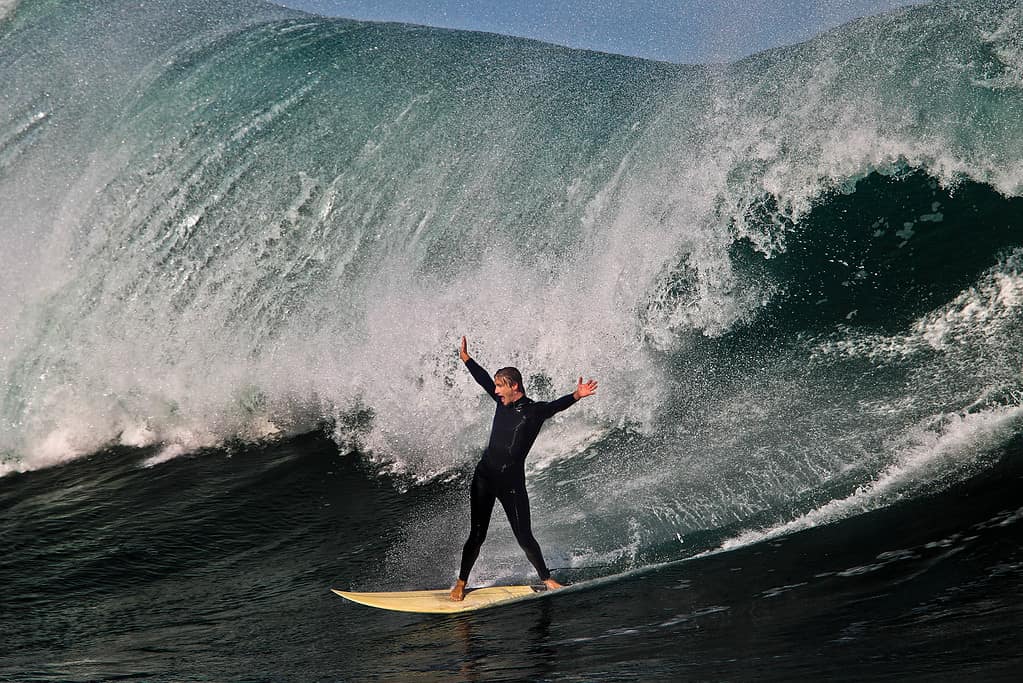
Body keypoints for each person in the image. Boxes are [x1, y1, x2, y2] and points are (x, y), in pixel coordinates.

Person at [450, 336, 598, 601]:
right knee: (477, 535)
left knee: (525, 537)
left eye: (500, 386)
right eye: (496, 386)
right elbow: (483, 379)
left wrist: (577, 395)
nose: (495, 390)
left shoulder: (534, 412)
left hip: (511, 484)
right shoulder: (500, 402)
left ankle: (547, 578)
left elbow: (556, 406)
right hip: (484, 477)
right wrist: (467, 359)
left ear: (514, 386)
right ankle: (461, 582)